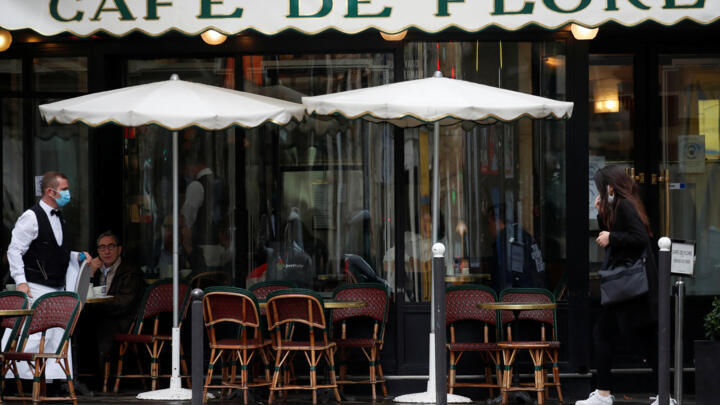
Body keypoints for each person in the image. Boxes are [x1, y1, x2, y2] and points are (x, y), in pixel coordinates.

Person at [577, 165, 665, 405]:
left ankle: (604, 395)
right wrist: (600, 214)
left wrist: (611, 237)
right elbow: (614, 234)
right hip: (632, 288)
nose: (600, 193)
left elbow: (638, 238)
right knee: (644, 341)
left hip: (630, 288)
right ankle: (664, 395)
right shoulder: (622, 206)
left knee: (604, 334)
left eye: (600, 189)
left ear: (610, 187)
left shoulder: (625, 206)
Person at [4, 171, 82, 383]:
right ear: (50, 191)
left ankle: (53, 381)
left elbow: (55, 251)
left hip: (57, 286)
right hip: (36, 284)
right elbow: (14, 250)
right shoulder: (31, 216)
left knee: (58, 333)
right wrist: (20, 281)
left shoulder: (61, 218)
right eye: (64, 189)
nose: (68, 193)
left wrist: (79, 256)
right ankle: (20, 380)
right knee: (33, 334)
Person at [83, 231, 145, 382]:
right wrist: (90, 273)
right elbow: (83, 293)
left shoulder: (130, 270)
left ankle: (100, 379)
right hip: (102, 314)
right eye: (102, 248)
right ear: (97, 251)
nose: (107, 251)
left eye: (111, 246)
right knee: (79, 325)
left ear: (119, 249)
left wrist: (99, 306)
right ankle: (82, 377)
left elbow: (124, 302)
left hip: (124, 319)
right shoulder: (97, 270)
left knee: (101, 326)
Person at [487, 203, 547, 293]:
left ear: (497, 222)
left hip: (518, 299)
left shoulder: (505, 240)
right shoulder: (526, 236)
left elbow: (503, 279)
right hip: (539, 296)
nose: (489, 228)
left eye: (489, 223)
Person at [181, 158, 227, 270]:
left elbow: (188, 215)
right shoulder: (221, 183)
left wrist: (185, 236)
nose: (186, 172)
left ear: (196, 165)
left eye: (187, 168)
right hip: (220, 246)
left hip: (201, 246)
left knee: (202, 280)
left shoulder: (196, 185)